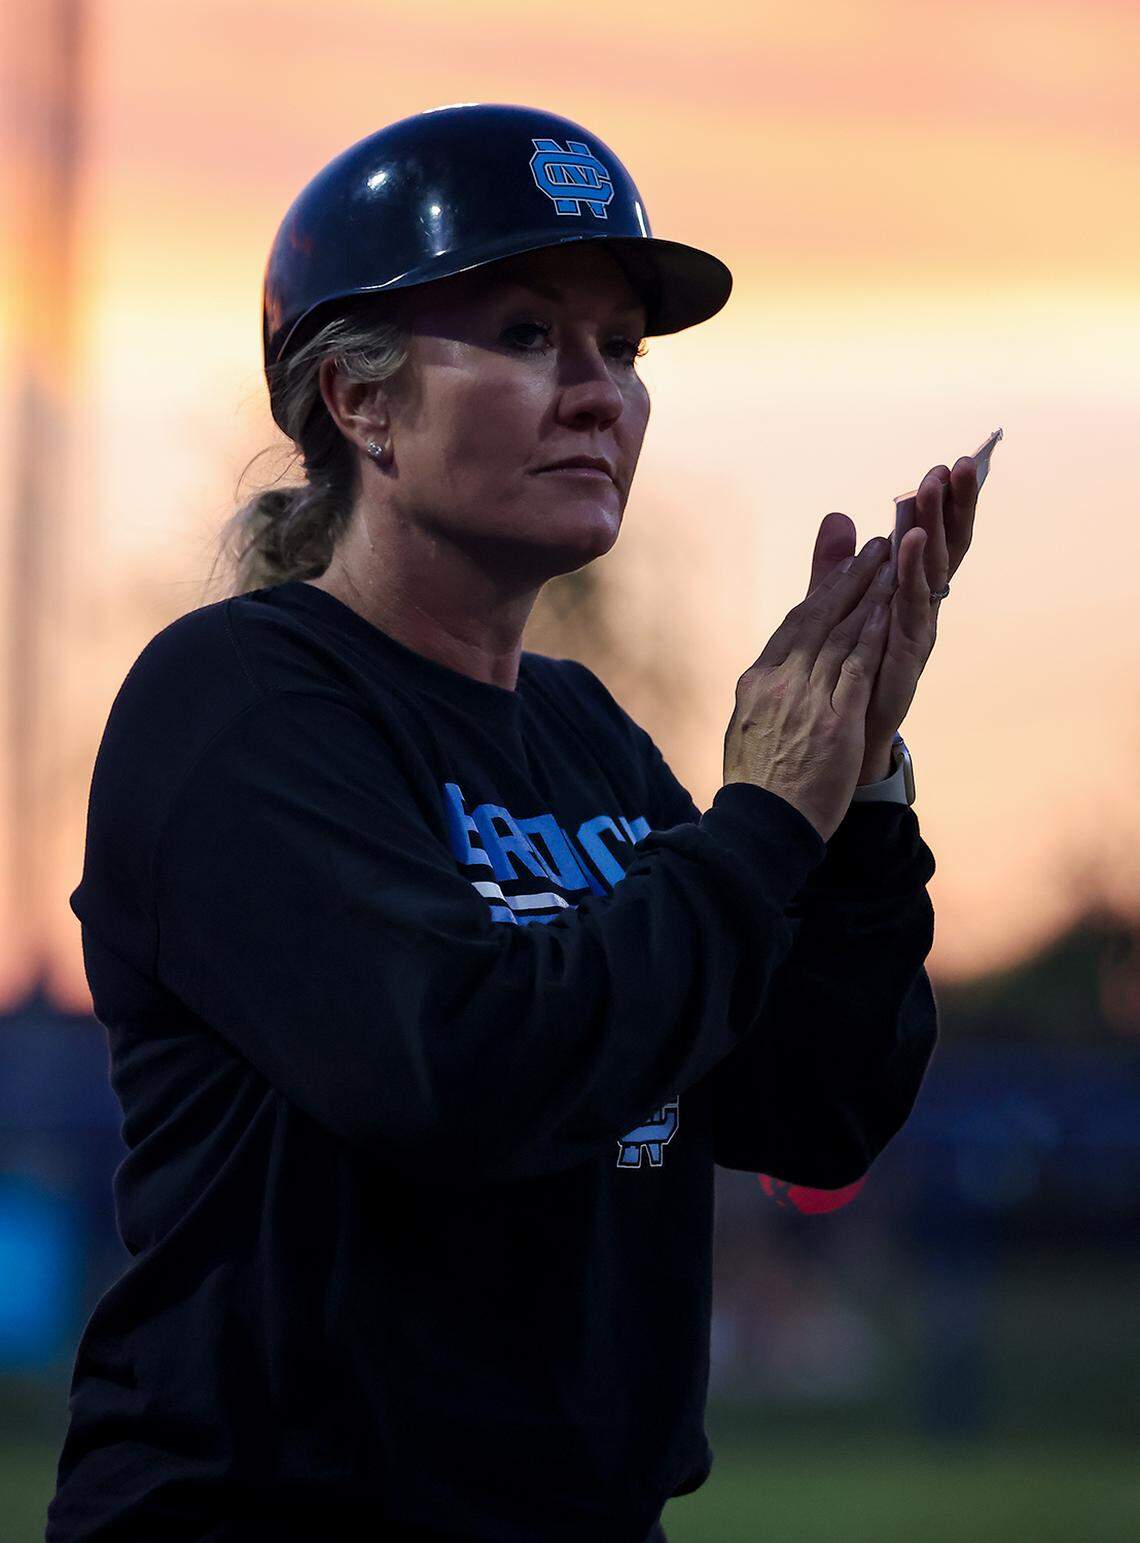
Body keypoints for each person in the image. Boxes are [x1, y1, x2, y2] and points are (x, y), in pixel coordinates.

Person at [47, 103, 971, 1542]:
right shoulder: (235, 706)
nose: (599, 391)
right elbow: (461, 1073)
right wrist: (762, 821)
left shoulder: (583, 733)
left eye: (623, 350)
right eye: (531, 334)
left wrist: (853, 812)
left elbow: (808, 1105)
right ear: (360, 406)